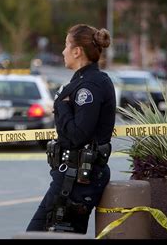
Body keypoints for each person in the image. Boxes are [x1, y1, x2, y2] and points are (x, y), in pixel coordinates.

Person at [26, 24, 116, 234]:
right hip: (71, 178)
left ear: (77, 51)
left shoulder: (90, 86)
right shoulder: (83, 81)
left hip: (79, 180)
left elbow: (78, 135)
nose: (63, 51)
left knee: (36, 234)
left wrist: (63, 106)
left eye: (67, 45)